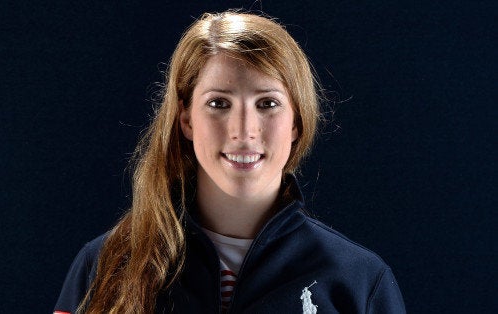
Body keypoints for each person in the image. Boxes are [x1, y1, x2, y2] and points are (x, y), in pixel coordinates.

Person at [54, 11, 405, 314]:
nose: (244, 131)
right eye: (219, 104)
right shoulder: (105, 264)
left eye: (267, 104)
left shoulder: (358, 281)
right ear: (186, 119)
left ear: (297, 121)